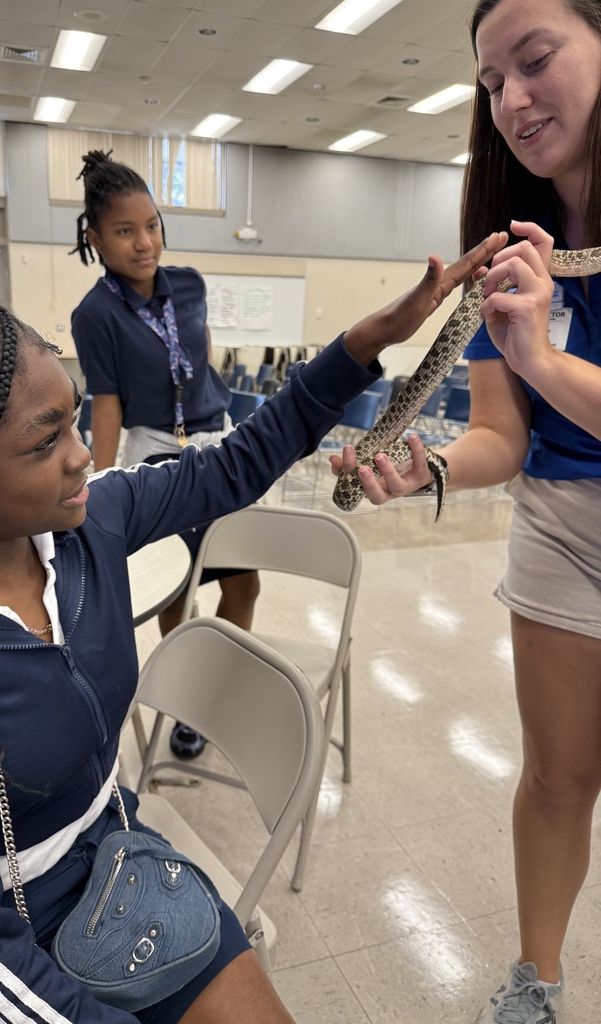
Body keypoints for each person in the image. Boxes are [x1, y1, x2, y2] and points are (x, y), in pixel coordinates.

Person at [0, 230, 502, 1024]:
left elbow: (232, 467)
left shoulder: (88, 526)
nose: (84, 457)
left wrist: (370, 341)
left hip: (116, 862)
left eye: (73, 422)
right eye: (45, 442)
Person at [338, 1, 601, 1021]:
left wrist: (541, 353)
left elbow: (533, 370)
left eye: (536, 61)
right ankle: (536, 982)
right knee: (556, 774)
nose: (514, 101)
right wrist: (431, 465)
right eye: (492, 84)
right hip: (559, 522)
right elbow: (504, 431)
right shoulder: (513, 245)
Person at [70, 150, 259, 759]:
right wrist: (96, 488)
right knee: (178, 590)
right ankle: (189, 701)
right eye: (125, 231)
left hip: (216, 441)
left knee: (244, 582)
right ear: (95, 238)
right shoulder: (94, 314)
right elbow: (107, 404)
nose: (144, 242)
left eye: (150, 224)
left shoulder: (191, 285)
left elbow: (199, 358)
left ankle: (222, 684)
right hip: (156, 454)